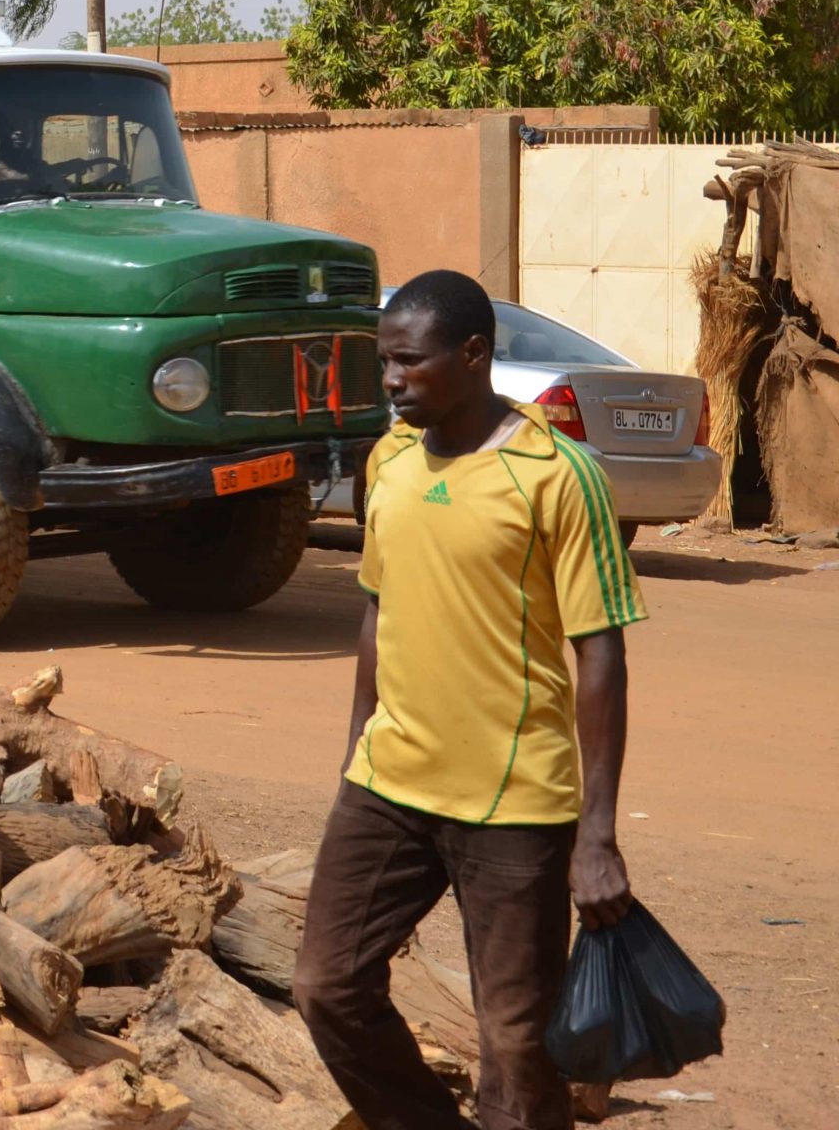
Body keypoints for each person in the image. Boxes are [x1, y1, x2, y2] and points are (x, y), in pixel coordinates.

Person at [293, 268, 643, 1130]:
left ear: (474, 355)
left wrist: (594, 836)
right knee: (327, 986)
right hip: (390, 784)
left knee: (518, 1050)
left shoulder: (559, 476)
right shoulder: (389, 463)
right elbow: (379, 611)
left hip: (516, 804)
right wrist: (354, 754)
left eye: (409, 362)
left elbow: (600, 653)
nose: (391, 380)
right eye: (384, 362)